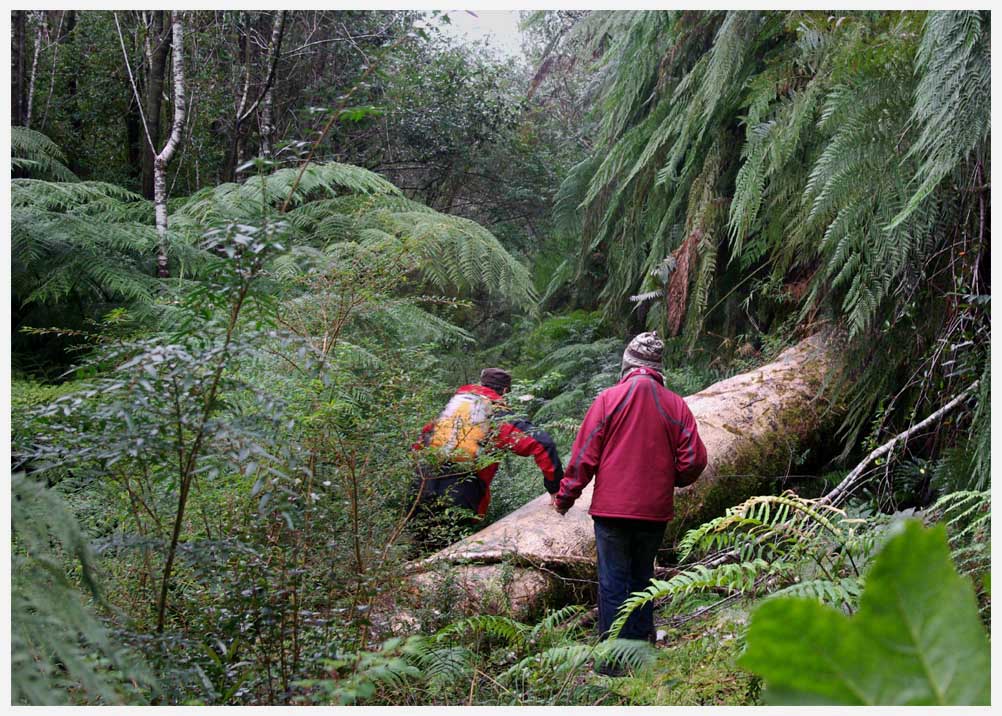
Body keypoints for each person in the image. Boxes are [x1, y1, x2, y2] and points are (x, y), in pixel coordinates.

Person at [550, 332, 707, 667]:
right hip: (654, 512)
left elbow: (583, 457)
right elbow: (694, 459)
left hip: (611, 512)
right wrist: (671, 478)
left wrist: (565, 497)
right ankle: (640, 656)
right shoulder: (675, 405)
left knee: (612, 583)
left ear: (628, 365)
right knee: (641, 581)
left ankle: (611, 662)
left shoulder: (608, 399)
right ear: (656, 369)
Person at [410, 367, 563, 549]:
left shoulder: (456, 408)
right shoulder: (496, 415)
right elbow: (542, 443)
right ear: (505, 390)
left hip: (420, 485)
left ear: (481, 383)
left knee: (418, 550)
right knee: (452, 551)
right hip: (461, 491)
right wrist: (555, 488)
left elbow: (423, 438)